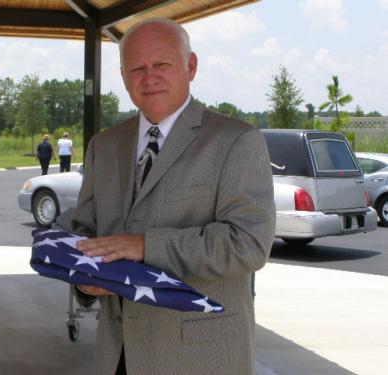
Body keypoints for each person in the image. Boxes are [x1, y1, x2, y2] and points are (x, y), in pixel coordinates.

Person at [71, 18, 275, 375]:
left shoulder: (237, 141)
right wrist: (83, 280)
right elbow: (84, 232)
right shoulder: (102, 146)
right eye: (137, 68)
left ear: (190, 66)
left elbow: (248, 244)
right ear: (123, 76)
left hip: (199, 359)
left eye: (161, 64)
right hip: (117, 356)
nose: (149, 77)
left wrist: (146, 246)